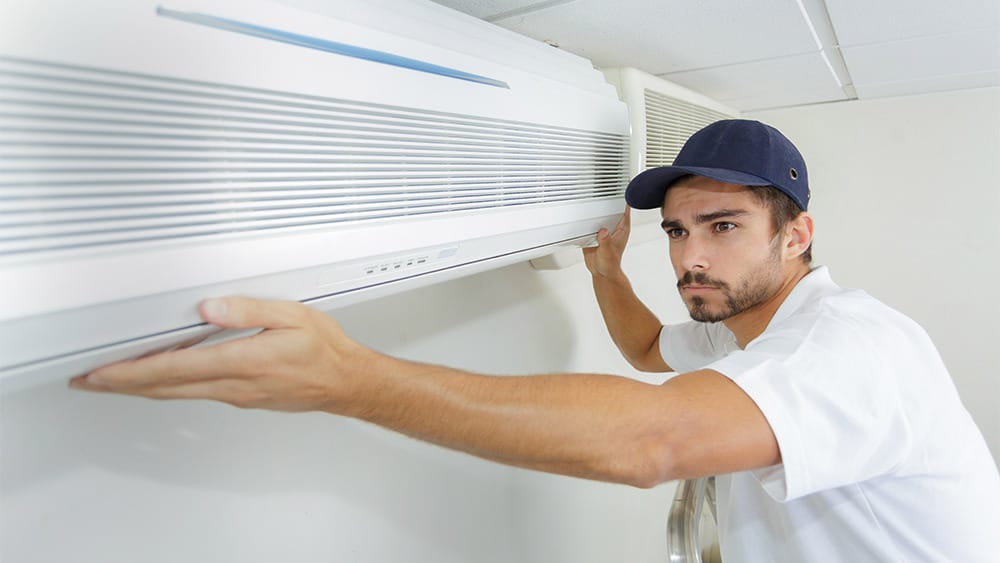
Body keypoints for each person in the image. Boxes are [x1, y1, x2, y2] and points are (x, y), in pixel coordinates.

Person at [70, 119, 1000, 562]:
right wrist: (606, 271)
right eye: (678, 231)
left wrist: (347, 378)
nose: (690, 256)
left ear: (797, 235)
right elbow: (649, 351)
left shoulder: (856, 347)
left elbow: (652, 440)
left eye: (723, 227)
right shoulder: (739, 333)